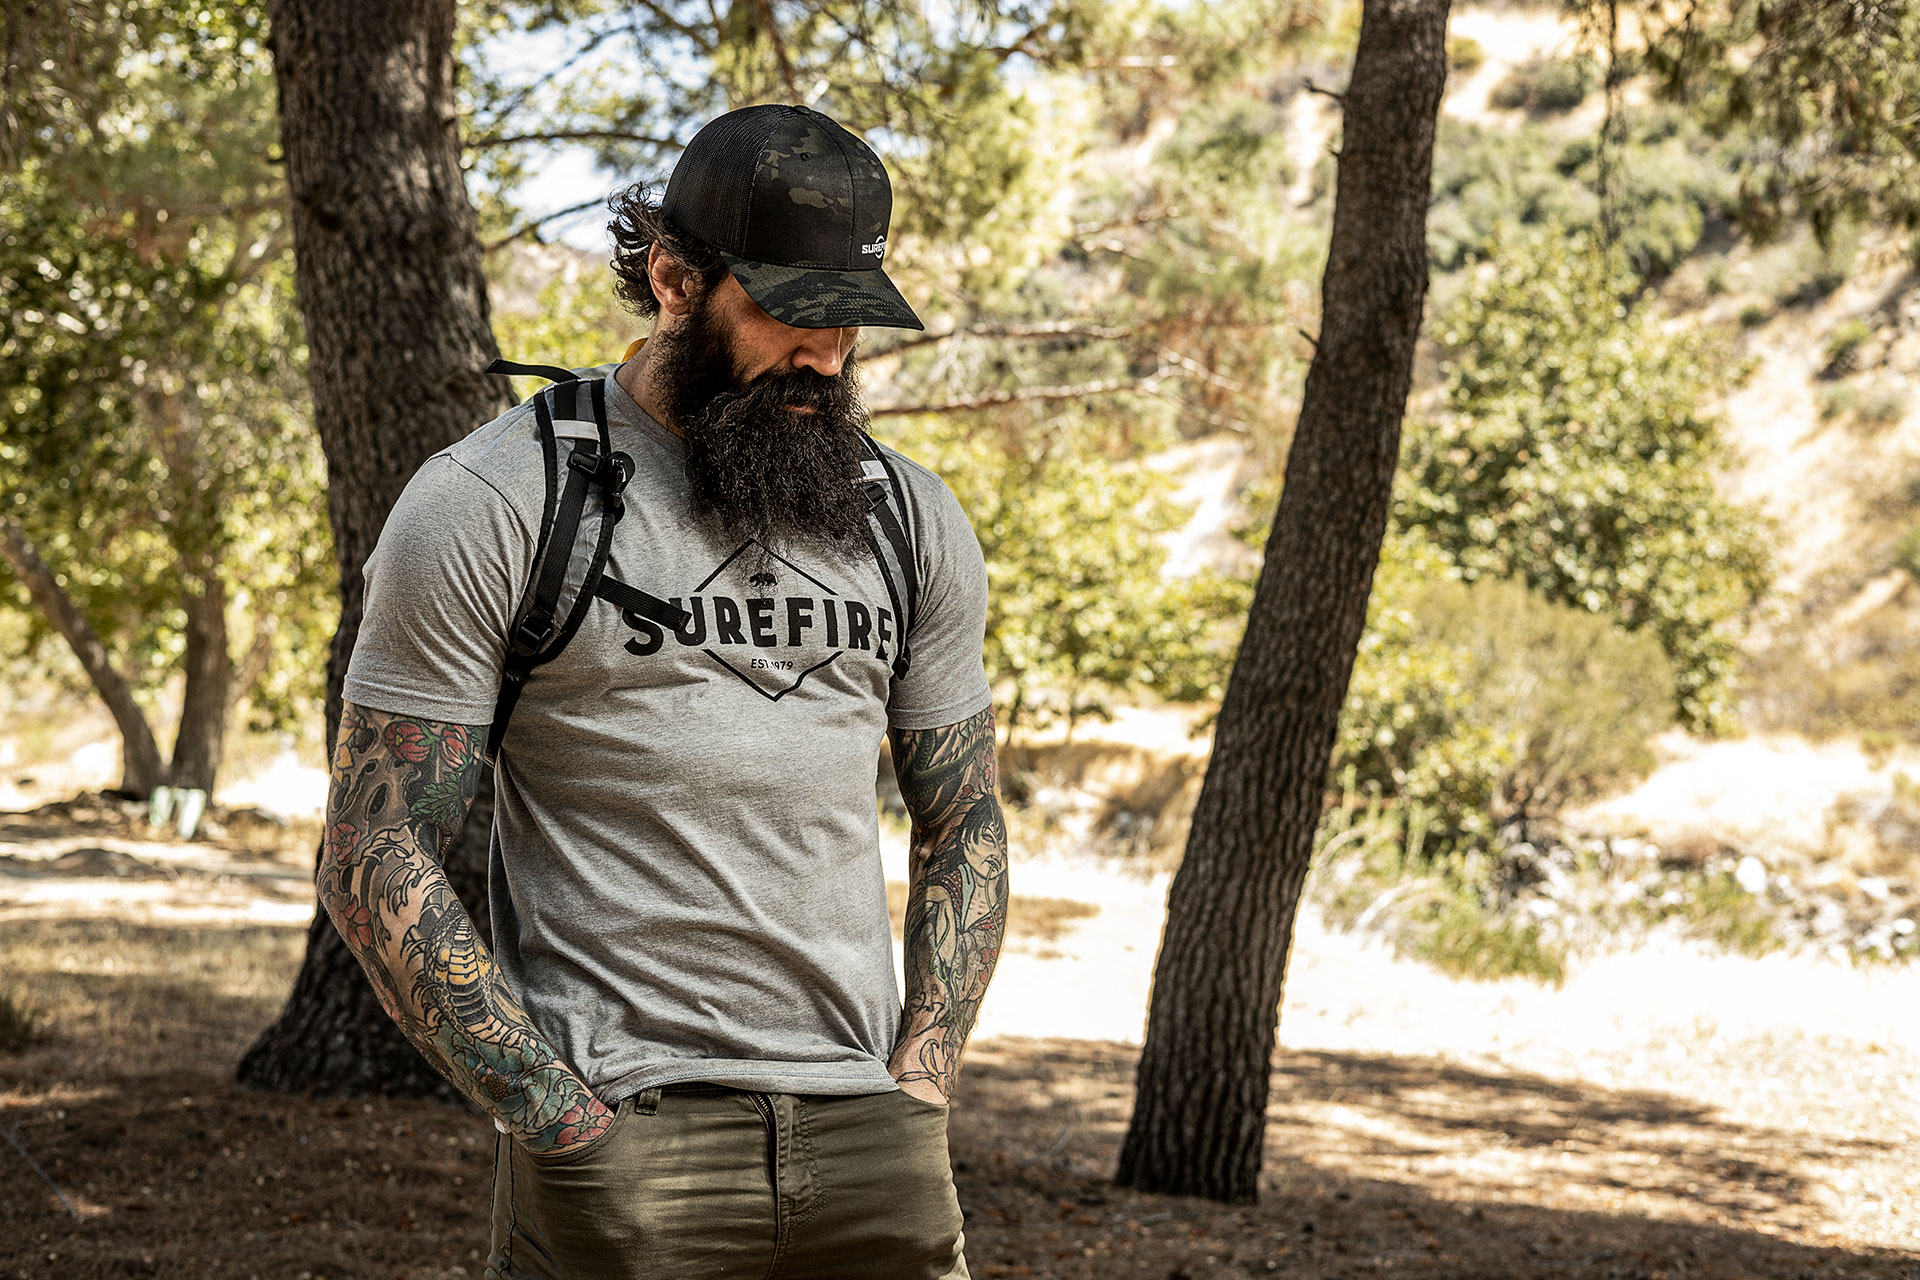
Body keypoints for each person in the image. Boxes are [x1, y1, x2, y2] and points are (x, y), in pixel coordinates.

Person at [319, 103, 1008, 1280]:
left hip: (873, 1136)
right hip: (628, 1137)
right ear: (675, 279)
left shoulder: (908, 517)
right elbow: (374, 845)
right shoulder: (496, 500)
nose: (826, 356)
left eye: (849, 320)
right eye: (790, 313)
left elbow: (965, 819)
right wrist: (558, 1120)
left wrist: (924, 1077)